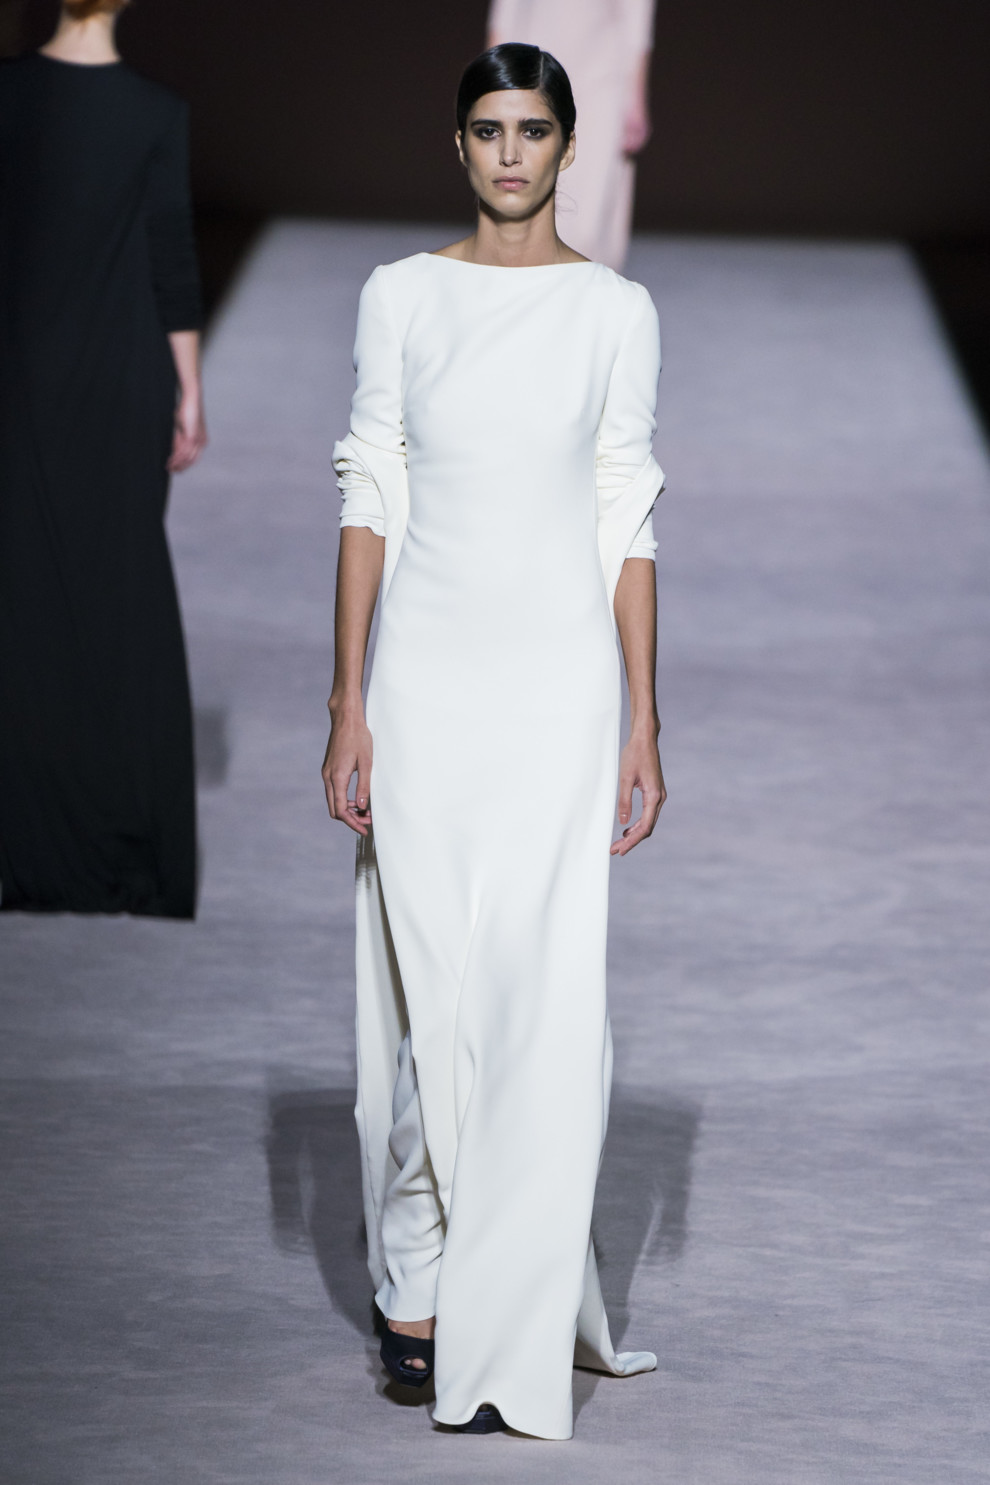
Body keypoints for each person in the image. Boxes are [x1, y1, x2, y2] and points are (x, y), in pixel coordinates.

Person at [322, 44, 666, 1439]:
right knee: (423, 1003)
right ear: (458, 146)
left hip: (559, 695)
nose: (509, 153)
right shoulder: (400, 296)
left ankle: (495, 1310)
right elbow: (368, 492)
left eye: (531, 130)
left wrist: (644, 714)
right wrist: (345, 698)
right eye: (487, 129)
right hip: (425, 684)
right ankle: (416, 1271)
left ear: (569, 146)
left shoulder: (615, 312)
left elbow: (625, 513)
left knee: (541, 1008)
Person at [0, 0, 206, 917]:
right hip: (121, 381)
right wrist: (189, 388)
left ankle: (24, 837)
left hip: (18, 370)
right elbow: (170, 253)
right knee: (114, 594)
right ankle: (118, 839)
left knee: (20, 591)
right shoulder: (155, 113)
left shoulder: (7, 94)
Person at [487, 0, 656, 270]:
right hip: (531, 78)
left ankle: (585, 287)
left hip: (601, 79)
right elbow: (506, 12)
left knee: (589, 217)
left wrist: (635, 97)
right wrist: (490, 86)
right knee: (529, 202)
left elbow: (636, 17)